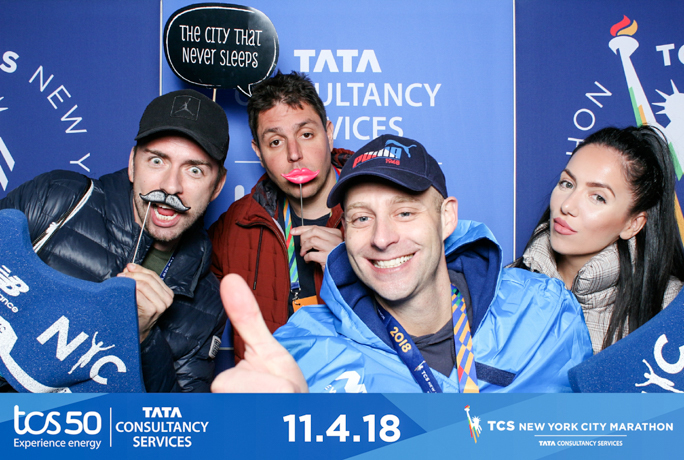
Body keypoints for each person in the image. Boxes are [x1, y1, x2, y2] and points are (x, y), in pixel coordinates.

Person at [212, 134, 592, 393]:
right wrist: (273, 430)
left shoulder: (544, 311)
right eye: (361, 218)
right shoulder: (304, 347)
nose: (381, 238)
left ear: (446, 218)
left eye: (405, 212)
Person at [0, 89, 231, 392]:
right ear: (134, 163)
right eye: (157, 161)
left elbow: (177, 427)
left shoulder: (207, 301)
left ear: (217, 186)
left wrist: (142, 338)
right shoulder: (60, 199)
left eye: (195, 170)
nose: (171, 186)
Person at [209, 71, 352, 364]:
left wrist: (354, 267)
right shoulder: (237, 224)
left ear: (329, 132)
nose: (294, 154)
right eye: (275, 142)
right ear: (258, 153)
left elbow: (426, 326)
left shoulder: (385, 214)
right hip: (271, 403)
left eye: (307, 134)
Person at [513, 126, 684, 354]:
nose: (567, 205)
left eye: (598, 197)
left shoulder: (671, 308)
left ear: (633, 224)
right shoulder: (503, 284)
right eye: (567, 184)